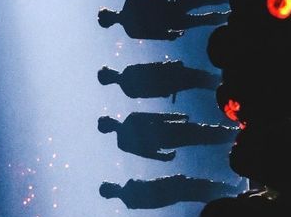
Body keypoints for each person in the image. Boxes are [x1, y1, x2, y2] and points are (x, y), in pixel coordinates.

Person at [99, 110, 238, 160]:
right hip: (169, 129)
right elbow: (158, 117)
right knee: (202, 131)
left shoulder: (122, 143)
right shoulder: (131, 119)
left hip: (167, 140)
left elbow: (144, 152)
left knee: (200, 137)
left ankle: (232, 136)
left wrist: (162, 156)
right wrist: (176, 117)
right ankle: (233, 134)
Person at [98, 0, 229, 40]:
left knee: (203, 19)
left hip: (171, 22)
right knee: (203, 0)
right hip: (170, 7)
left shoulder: (131, 32)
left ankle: (228, 16)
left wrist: (169, 35)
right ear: (109, 11)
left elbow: (154, 35)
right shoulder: (129, 3)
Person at [99, 60, 220, 100]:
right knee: (203, 77)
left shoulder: (128, 91)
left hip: (171, 85)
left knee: (200, 83)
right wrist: (170, 65)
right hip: (172, 72)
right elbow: (153, 67)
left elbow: (151, 93)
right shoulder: (129, 71)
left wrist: (166, 91)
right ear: (110, 72)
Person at [100, 175, 236, 208]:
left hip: (171, 196)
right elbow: (154, 184)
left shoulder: (129, 203)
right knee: (202, 185)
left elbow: (154, 204)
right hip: (170, 187)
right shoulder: (130, 185)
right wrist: (171, 180)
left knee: (200, 194)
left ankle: (231, 200)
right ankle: (232, 190)